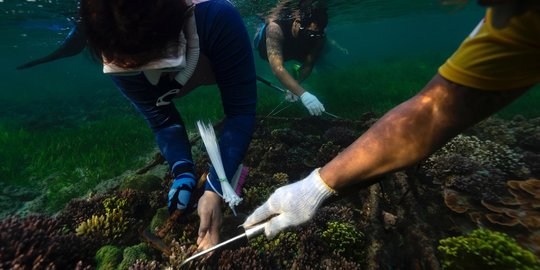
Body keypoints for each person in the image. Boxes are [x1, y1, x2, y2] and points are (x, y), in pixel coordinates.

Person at [244, 0, 540, 238]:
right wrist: (316, 186)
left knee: (322, 58)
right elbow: (432, 110)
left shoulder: (518, 15)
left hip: (296, 63)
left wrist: (300, 87)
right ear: (295, 22)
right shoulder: (515, 21)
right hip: (271, 47)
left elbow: (432, 110)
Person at [79, 0, 257, 251]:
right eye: (130, 68)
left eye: (156, 62)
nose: (150, 77)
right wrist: (182, 170)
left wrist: (216, 189)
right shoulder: (110, 36)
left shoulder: (217, 18)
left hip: (209, 49)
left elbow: (241, 111)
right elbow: (161, 119)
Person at [253, 0, 328, 116]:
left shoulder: (319, 37)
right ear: (297, 23)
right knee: (263, 32)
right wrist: (303, 94)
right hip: (266, 47)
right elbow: (277, 68)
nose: (311, 39)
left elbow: (308, 64)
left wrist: (294, 86)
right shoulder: (275, 28)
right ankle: (261, 26)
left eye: (316, 35)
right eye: (309, 34)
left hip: (292, 49)